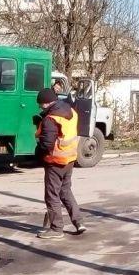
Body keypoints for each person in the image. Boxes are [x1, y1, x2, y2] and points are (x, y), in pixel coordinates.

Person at [34, 88, 86, 240]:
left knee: (52, 195)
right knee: (65, 191)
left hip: (55, 161)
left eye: (40, 104)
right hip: (70, 159)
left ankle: (56, 229)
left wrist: (37, 153)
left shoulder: (51, 119)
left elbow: (47, 144)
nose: (39, 107)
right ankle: (79, 222)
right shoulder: (71, 111)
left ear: (45, 103)